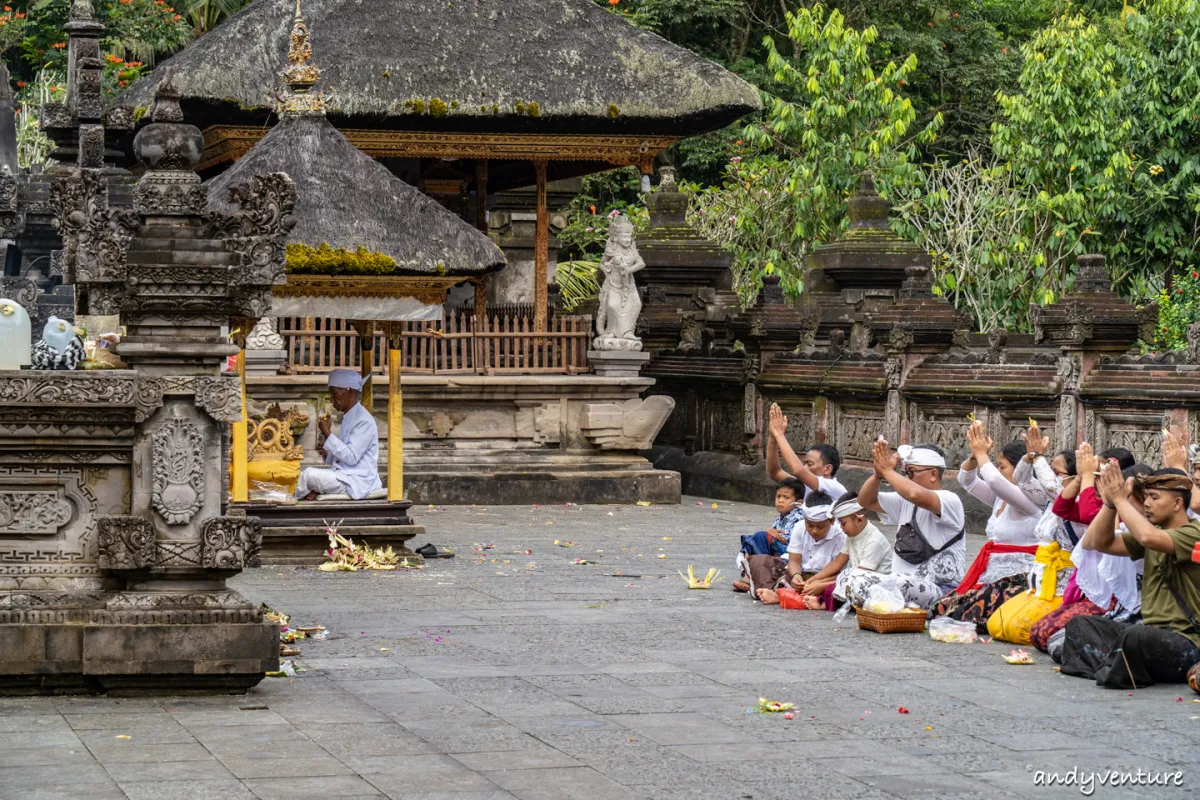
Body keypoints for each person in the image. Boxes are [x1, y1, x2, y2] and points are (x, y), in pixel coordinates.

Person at [1061, 464, 1200, 689]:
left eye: (1154, 497)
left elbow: (1147, 537)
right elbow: (1100, 543)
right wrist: (1109, 504)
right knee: (1080, 625)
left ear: (1177, 504)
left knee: (1135, 637)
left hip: (1186, 642)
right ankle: (1118, 666)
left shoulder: (1193, 533)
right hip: (1151, 635)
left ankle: (1114, 666)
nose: (1146, 504)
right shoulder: (1155, 532)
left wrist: (1121, 500)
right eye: (1145, 497)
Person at [932, 423, 1043, 630]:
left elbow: (993, 479)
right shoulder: (1000, 498)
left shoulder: (1032, 499)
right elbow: (967, 480)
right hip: (992, 576)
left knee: (962, 613)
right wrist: (975, 455)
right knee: (941, 608)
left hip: (1019, 580)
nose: (998, 471)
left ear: (1021, 468)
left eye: (1003, 467)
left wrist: (983, 454)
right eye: (998, 466)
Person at [836, 439, 967, 611]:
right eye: (905, 472)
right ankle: (892, 605)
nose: (906, 478)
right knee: (848, 576)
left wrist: (887, 470)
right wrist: (878, 475)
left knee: (896, 582)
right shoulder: (905, 501)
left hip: (941, 591)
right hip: (902, 585)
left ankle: (889, 605)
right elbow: (865, 501)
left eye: (911, 472)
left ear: (933, 474)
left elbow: (914, 494)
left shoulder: (950, 500)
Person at [295, 368, 382, 501]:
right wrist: (327, 450)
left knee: (308, 475)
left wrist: (328, 433)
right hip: (346, 476)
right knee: (303, 473)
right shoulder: (349, 417)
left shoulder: (363, 420)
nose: (332, 399)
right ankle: (307, 493)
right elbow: (340, 459)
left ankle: (289, 500)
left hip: (358, 482)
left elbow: (351, 457)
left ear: (350, 392)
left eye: (335, 393)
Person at [748, 491, 844, 606]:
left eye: (820, 527)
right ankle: (788, 593)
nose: (814, 531)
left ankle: (781, 595)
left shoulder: (841, 536)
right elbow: (794, 560)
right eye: (810, 525)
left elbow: (839, 570)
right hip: (800, 574)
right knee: (760, 562)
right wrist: (796, 575)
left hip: (824, 579)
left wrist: (817, 582)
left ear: (832, 520)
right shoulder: (800, 527)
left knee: (836, 588)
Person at [803, 492, 892, 610]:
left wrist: (822, 586)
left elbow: (858, 579)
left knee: (833, 587)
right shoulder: (852, 534)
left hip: (873, 588)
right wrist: (814, 580)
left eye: (843, 523)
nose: (841, 527)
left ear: (859, 520)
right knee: (836, 579)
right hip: (854, 578)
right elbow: (837, 562)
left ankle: (823, 602)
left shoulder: (874, 541)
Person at [733, 478, 806, 591]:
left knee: (760, 536)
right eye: (778, 496)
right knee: (751, 543)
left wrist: (769, 533)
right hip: (780, 551)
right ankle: (752, 574)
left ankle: (751, 577)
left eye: (786, 498)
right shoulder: (781, 517)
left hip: (791, 554)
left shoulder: (798, 517)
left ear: (799, 502)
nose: (780, 500)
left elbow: (790, 541)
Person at [765, 404, 846, 502]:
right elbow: (774, 472)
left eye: (810, 464)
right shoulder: (804, 485)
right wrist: (773, 437)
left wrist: (779, 435)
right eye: (804, 463)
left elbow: (798, 471)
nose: (805, 468)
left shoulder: (834, 487)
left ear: (827, 469)